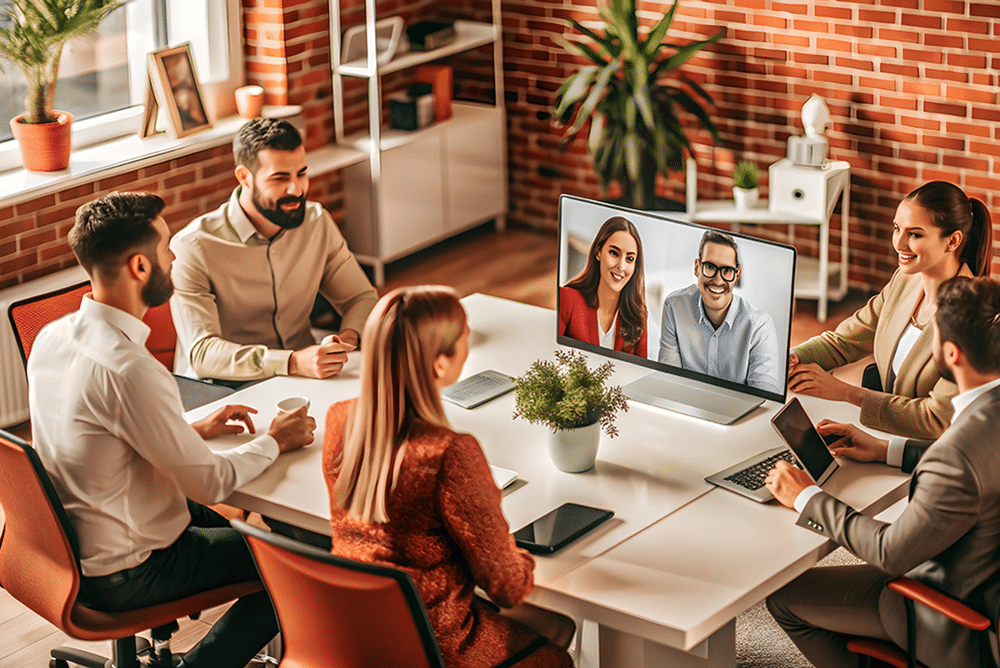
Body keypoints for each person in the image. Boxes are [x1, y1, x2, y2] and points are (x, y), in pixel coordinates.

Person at [28, 191, 317, 668]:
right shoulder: (130, 368)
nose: (175, 255)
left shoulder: (53, 336)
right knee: (297, 567)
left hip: (72, 540)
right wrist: (276, 440)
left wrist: (191, 430)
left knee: (247, 532)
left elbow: (100, 433)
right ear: (140, 267)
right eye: (166, 248)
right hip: (131, 568)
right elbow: (211, 482)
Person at [323, 286, 575, 668]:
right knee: (557, 637)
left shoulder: (340, 420)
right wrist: (507, 547)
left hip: (361, 635)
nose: (469, 343)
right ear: (440, 365)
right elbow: (508, 588)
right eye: (464, 338)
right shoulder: (448, 452)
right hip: (438, 647)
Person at [764, 275, 1000, 668]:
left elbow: (890, 552)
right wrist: (886, 449)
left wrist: (805, 496)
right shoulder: (982, 423)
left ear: (953, 354)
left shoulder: (956, 455)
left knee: (783, 598)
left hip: (948, 616)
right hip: (984, 579)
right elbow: (976, 466)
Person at [170, 118, 378, 384]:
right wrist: (291, 362)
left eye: (301, 174)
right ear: (244, 177)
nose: (297, 189)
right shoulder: (192, 247)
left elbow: (360, 297)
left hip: (307, 375)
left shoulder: (316, 222)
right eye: (280, 178)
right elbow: (203, 353)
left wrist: (346, 342)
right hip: (225, 389)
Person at [788, 181, 993, 439]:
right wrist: (792, 358)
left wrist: (846, 392)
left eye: (915, 234)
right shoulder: (904, 281)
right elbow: (844, 342)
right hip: (885, 435)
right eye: (897, 228)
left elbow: (936, 419)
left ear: (952, 241)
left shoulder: (975, 318)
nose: (899, 243)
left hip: (926, 452)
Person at [658, 229, 782, 394]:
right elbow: (669, 382)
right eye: (710, 267)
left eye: (727, 271)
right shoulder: (673, 307)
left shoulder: (759, 326)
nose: (717, 280)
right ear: (697, 268)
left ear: (737, 274)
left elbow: (764, 397)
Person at [559, 216, 647, 356]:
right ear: (598, 252)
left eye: (629, 259)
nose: (621, 266)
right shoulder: (568, 298)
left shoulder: (638, 315)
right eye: (614, 253)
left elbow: (641, 370)